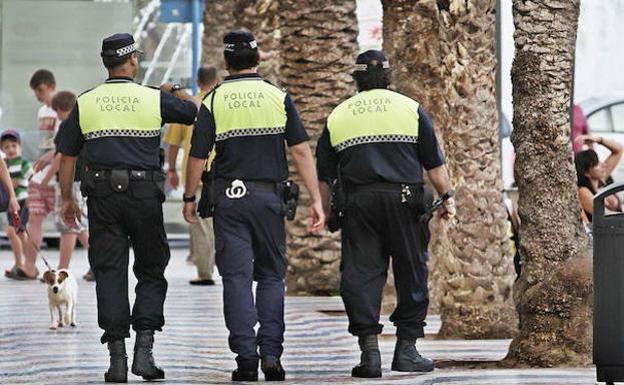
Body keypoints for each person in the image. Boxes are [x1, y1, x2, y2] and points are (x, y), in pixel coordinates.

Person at [183, 29, 324, 382]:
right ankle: (272, 355)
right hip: (269, 199)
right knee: (271, 276)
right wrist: (317, 199)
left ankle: (246, 359)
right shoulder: (278, 96)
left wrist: (188, 196)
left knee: (236, 278)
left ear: (226, 63)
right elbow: (301, 150)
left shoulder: (214, 101)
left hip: (229, 200)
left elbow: (197, 156)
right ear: (258, 59)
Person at [56, 33, 197, 383]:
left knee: (109, 271)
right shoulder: (151, 98)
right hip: (144, 196)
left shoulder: (86, 101)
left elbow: (67, 154)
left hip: (102, 196)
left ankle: (116, 359)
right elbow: (192, 110)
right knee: (151, 269)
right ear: (132, 59)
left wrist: (68, 198)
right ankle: (144, 353)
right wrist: (173, 88)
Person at [316, 50, 455, 378]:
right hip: (405, 202)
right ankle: (406, 350)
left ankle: (369, 354)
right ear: (389, 78)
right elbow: (434, 164)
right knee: (411, 270)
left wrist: (323, 209)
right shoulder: (410, 108)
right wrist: (448, 198)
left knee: (360, 273)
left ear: (357, 78)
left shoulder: (339, 114)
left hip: (358, 204)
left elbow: (326, 172)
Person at [164, 65, 218, 285]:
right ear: (217, 80)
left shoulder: (188, 107)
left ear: (197, 81)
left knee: (202, 224)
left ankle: (205, 272)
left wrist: (171, 170)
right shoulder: (220, 103)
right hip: (224, 172)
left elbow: (173, 144)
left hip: (196, 174)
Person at [19, 69, 59, 280]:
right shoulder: (42, 112)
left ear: (52, 87)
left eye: (41, 90)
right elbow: (46, 145)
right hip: (42, 173)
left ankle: (97, 264)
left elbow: (63, 147)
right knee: (34, 218)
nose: (39, 95)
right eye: (36, 92)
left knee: (72, 224)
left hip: (57, 176)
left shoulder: (61, 110)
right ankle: (29, 266)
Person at [51, 91, 92, 280]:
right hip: (83, 179)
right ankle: (99, 263)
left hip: (70, 181)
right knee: (81, 225)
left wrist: (45, 180)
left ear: (60, 110)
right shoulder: (85, 123)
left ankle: (62, 269)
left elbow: (62, 156)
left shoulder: (67, 126)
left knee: (68, 225)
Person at [1, 130, 33, 280]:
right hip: (10, 204)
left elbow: (29, 179)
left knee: (17, 232)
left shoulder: (24, 164)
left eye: (14, 145)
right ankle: (20, 263)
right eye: (6, 147)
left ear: (20, 146)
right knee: (16, 233)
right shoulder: (5, 163)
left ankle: (26, 263)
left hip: (21, 202)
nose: (11, 149)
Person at [575, 134, 623, 222]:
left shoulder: (601, 180)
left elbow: (619, 150)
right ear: (586, 173)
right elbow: (606, 215)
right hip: (607, 232)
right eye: (597, 164)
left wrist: (597, 140)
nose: (603, 165)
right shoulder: (583, 191)